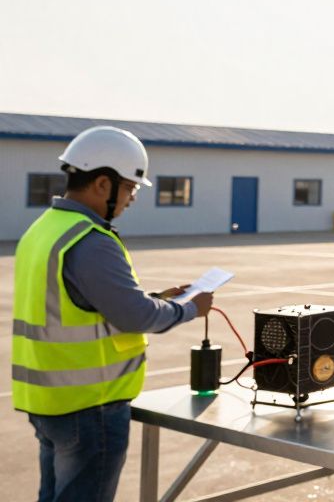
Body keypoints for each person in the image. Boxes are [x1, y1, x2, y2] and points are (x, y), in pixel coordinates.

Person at [12, 126, 213, 502]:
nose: (132, 198)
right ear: (103, 185)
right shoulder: (90, 240)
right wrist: (188, 308)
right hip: (89, 408)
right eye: (131, 187)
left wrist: (156, 297)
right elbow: (135, 316)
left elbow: (82, 304)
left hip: (48, 403)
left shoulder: (43, 231)